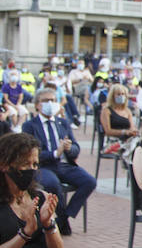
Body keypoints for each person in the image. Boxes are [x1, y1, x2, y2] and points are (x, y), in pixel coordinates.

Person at [22, 87, 95, 236]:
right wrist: (56, 153)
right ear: (37, 105)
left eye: (53, 100)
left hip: (64, 165)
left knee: (89, 181)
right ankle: (61, 222)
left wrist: (69, 148)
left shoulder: (62, 123)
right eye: (46, 100)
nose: (50, 103)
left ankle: (64, 217)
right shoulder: (30, 126)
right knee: (52, 184)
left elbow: (76, 147)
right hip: (44, 166)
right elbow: (30, 154)